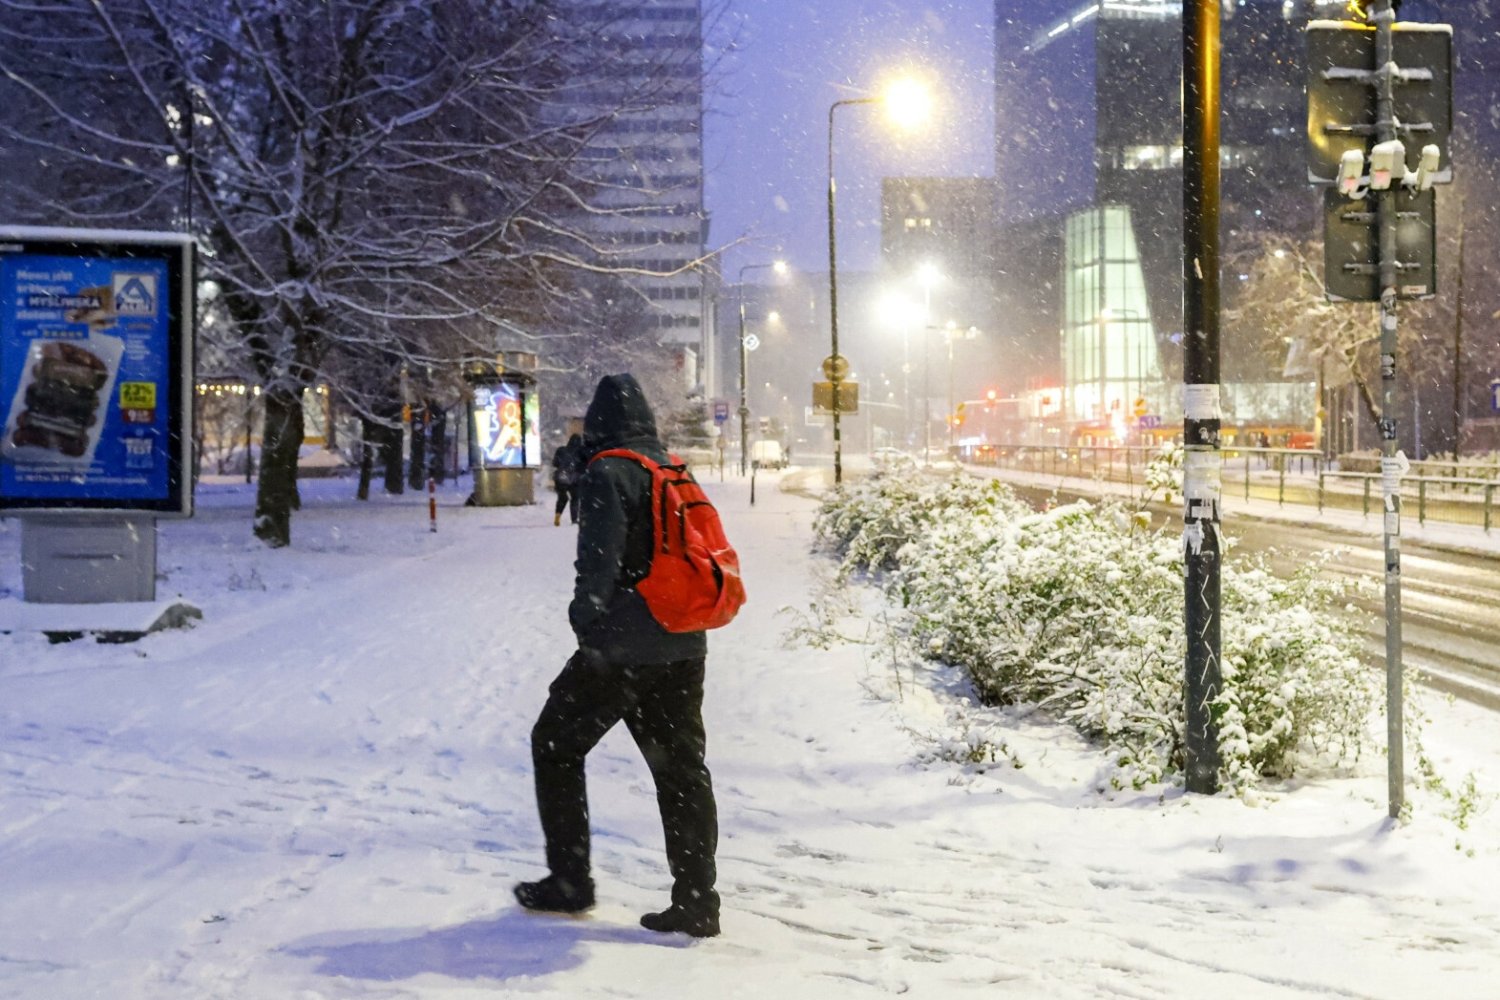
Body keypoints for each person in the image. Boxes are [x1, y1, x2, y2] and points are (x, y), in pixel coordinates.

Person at [515, 374, 721, 938]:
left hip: (626, 647)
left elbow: (597, 566)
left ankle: (570, 881)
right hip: (684, 641)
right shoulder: (672, 467)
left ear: (599, 422)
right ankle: (698, 901)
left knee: (555, 743)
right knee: (681, 770)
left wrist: (587, 623)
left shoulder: (609, 471)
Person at [550, 433, 584, 526]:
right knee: (575, 499)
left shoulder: (561, 450)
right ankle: (574, 519)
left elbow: (555, 463)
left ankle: (557, 516)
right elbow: (584, 466)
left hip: (560, 478)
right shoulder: (581, 452)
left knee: (562, 498)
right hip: (574, 479)